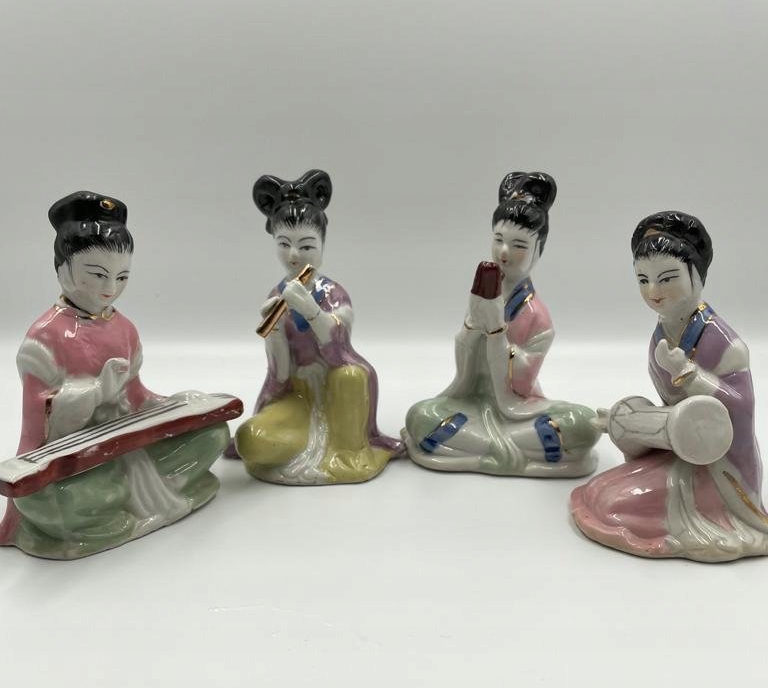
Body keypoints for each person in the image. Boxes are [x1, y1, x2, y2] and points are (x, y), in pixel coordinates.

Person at [0, 191, 230, 559]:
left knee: (214, 435)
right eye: (97, 275)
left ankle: (121, 510)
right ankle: (121, 507)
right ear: (63, 269)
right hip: (79, 464)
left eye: (122, 277)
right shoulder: (44, 337)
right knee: (46, 501)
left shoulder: (125, 329)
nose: (110, 289)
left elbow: (138, 398)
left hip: (129, 449)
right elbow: (38, 422)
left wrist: (177, 403)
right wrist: (94, 393)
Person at [571, 210, 768, 561]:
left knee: (616, 503)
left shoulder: (727, 345)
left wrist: (689, 374)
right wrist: (630, 423)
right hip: (680, 450)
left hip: (720, 468)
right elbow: (673, 412)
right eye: (643, 280)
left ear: (697, 275)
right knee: (600, 491)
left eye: (667, 278)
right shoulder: (662, 332)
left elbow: (739, 409)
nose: (654, 292)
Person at [404, 171, 599, 476]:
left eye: (519, 245)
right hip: (470, 404)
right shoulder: (484, 294)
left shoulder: (537, 316)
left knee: (584, 424)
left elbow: (521, 383)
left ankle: (481, 447)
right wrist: (472, 325)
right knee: (419, 415)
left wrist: (496, 332)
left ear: (538, 250)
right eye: (498, 240)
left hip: (517, 410)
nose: (504, 253)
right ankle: (501, 448)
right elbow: (464, 368)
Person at [234, 169, 402, 484]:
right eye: (284, 244)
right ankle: (298, 447)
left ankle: (345, 453)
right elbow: (281, 374)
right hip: (297, 396)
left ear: (322, 244)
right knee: (251, 439)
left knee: (351, 376)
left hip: (335, 390)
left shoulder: (334, 294)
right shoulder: (277, 296)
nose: (293, 255)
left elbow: (339, 350)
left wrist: (311, 310)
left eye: (306, 246)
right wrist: (273, 333)